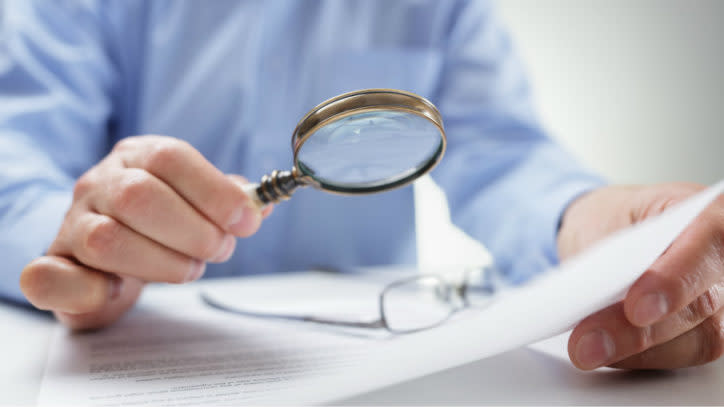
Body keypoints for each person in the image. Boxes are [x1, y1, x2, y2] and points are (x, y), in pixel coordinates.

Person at [1, 0, 721, 371]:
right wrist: (85, 243)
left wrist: (597, 224)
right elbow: (14, 165)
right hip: (131, 359)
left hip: (368, 370)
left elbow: (506, 158)